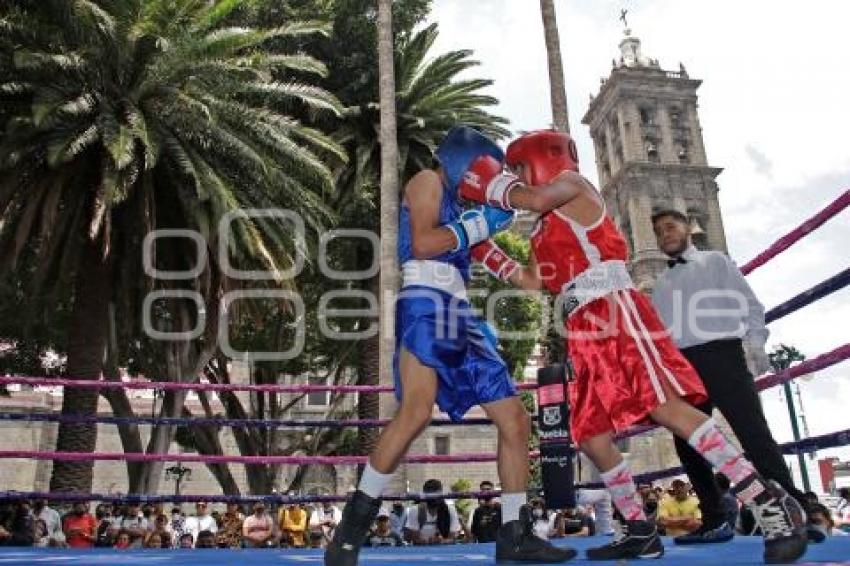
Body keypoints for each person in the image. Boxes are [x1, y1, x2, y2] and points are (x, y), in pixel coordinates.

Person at [462, 128, 807, 563]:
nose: (517, 176)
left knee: (665, 406)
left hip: (614, 310)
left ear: (540, 161)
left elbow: (532, 199)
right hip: (582, 330)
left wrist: (484, 184)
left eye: (519, 168)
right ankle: (640, 529)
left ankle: (767, 500)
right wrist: (483, 248)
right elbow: (533, 281)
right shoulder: (543, 230)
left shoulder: (573, 187)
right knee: (589, 435)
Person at [325, 126, 576, 565]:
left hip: (462, 314)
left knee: (516, 420)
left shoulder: (467, 219)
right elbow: (423, 243)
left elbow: (528, 281)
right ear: (464, 161)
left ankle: (515, 534)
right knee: (416, 412)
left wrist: (541, 229)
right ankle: (350, 532)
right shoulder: (427, 182)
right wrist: (480, 224)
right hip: (425, 302)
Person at [651, 208, 821, 545]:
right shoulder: (661, 282)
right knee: (687, 444)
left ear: (687, 229)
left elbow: (750, 305)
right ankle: (714, 519)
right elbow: (660, 334)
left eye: (670, 227)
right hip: (682, 367)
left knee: (753, 433)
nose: (665, 234)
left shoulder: (715, 262)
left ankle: (796, 509)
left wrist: (756, 347)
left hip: (722, 355)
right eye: (658, 231)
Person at [403, 479, 462, 545]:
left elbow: (453, 538)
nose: (434, 499)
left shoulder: (450, 510)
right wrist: (428, 541)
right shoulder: (415, 510)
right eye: (431, 495)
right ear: (425, 495)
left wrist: (441, 541)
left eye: (436, 495)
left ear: (441, 493)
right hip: (421, 551)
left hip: (445, 551)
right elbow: (415, 539)